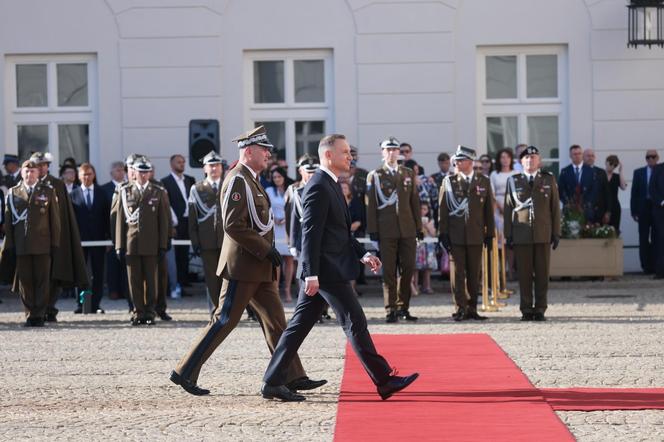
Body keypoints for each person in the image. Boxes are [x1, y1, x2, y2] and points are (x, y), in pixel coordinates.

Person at [262, 134, 419, 402]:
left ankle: (273, 381)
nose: (350, 156)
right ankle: (383, 380)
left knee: (298, 327)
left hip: (327, 269)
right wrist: (310, 273)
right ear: (328, 156)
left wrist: (363, 254)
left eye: (349, 152)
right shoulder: (318, 186)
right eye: (345, 152)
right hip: (325, 272)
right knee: (354, 321)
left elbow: (340, 233)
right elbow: (310, 233)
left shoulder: (332, 184)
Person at [170, 126, 325, 397]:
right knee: (224, 320)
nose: (268, 155)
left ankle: (292, 376)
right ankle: (185, 372)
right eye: (264, 150)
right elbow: (233, 225)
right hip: (243, 266)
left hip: (259, 268)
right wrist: (265, 249)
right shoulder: (237, 180)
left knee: (277, 324)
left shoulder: (250, 179)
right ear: (249, 151)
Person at [366, 137, 422, 323]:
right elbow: (371, 205)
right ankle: (390, 309)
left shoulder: (408, 173)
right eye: (388, 149)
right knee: (388, 272)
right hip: (386, 230)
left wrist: (419, 228)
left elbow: (415, 202)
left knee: (407, 269)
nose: (392, 153)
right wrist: (373, 230)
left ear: (399, 152)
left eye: (395, 149)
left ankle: (403, 307)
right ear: (382, 152)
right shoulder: (375, 175)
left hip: (407, 229)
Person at [0, 160, 60, 326]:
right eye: (26, 171)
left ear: (37, 174)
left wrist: (55, 243)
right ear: (22, 173)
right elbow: (8, 222)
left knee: (42, 281)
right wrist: (10, 245)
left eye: (33, 172)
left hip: (43, 243)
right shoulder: (13, 193)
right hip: (22, 244)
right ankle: (29, 314)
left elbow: (54, 221)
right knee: (25, 282)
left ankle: (39, 314)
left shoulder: (47, 191)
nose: (29, 174)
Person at [504, 146, 561, 321]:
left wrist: (556, 233)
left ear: (539, 161)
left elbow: (554, 209)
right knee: (525, 274)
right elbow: (508, 209)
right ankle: (526, 309)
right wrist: (508, 234)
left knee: (542, 274)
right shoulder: (513, 181)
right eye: (526, 158)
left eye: (533, 157)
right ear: (521, 162)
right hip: (522, 234)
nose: (530, 160)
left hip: (543, 233)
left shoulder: (548, 180)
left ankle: (540, 308)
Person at [30, 152, 88, 322]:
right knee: (37, 275)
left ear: (48, 166)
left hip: (54, 238)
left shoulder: (57, 185)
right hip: (35, 239)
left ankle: (49, 308)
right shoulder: (28, 183)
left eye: (43, 164)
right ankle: (36, 308)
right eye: (37, 165)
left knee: (55, 275)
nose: (40, 168)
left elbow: (64, 214)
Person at [438, 145, 495, 322]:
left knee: (474, 274)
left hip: (476, 234)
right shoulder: (449, 181)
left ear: (470, 162)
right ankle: (460, 307)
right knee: (458, 274)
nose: (457, 163)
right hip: (455, 235)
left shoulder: (483, 181)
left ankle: (472, 308)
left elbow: (488, 210)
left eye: (461, 160)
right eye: (457, 160)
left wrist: (489, 233)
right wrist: (444, 233)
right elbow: (443, 209)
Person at [115, 158, 170, 325]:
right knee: (134, 281)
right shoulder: (125, 191)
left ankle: (150, 312)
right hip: (131, 244)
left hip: (151, 245)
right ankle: (138, 312)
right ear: (134, 173)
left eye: (147, 172)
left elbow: (163, 221)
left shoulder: (157, 191)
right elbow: (119, 220)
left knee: (152, 282)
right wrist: (119, 245)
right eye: (141, 172)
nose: (144, 175)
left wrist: (162, 245)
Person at [70, 163, 111, 314]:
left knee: (98, 273)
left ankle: (95, 304)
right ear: (79, 177)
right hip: (80, 240)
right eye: (84, 174)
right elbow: (71, 219)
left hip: (99, 239)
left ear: (94, 175)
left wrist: (109, 238)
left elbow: (108, 217)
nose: (87, 177)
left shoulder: (102, 193)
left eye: (89, 174)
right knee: (81, 273)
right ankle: (82, 304)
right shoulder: (73, 194)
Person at [188, 151, 225, 313]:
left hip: (227, 241)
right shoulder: (197, 189)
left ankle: (227, 309)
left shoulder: (228, 185)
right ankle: (215, 309)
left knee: (228, 277)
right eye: (211, 165)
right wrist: (195, 242)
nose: (214, 168)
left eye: (217, 165)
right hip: (207, 240)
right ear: (204, 168)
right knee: (211, 278)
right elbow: (192, 219)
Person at [161, 154, 195, 293]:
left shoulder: (190, 180)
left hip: (189, 221)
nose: (182, 164)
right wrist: (171, 224)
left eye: (183, 162)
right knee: (176, 254)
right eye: (178, 162)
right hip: (176, 223)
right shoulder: (165, 182)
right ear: (171, 164)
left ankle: (184, 281)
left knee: (186, 252)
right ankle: (176, 284)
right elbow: (166, 205)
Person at [266, 167, 295, 302]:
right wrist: (274, 218)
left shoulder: (291, 189)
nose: (277, 179)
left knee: (289, 260)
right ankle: (275, 290)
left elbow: (294, 206)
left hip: (288, 227)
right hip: (275, 228)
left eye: (279, 177)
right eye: (274, 177)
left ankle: (287, 290)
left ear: (284, 177)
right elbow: (266, 208)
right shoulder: (269, 191)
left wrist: (287, 218)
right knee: (276, 260)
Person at [101, 161, 128, 301]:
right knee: (112, 265)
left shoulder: (129, 187)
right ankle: (113, 290)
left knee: (126, 264)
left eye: (122, 170)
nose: (120, 172)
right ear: (111, 173)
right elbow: (102, 214)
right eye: (117, 170)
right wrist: (106, 237)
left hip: (126, 232)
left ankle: (125, 290)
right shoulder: (104, 189)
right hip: (110, 233)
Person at [490, 148, 519, 278]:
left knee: (511, 242)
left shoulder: (516, 173)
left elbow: (520, 192)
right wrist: (499, 207)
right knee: (500, 241)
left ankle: (511, 270)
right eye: (502, 157)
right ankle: (500, 270)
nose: (505, 159)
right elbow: (492, 193)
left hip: (513, 207)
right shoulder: (494, 174)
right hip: (498, 208)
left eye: (507, 157)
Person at [631, 150, 659, 274]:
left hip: (657, 206)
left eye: (653, 157)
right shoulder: (638, 172)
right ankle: (646, 266)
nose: (651, 159)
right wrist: (633, 211)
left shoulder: (661, 171)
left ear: (657, 158)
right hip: (643, 207)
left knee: (657, 237)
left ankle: (656, 265)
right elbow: (634, 193)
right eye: (648, 157)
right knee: (643, 237)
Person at [558, 145, 602, 224]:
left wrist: (587, 204)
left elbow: (595, 190)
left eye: (579, 153)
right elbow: (561, 190)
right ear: (570, 156)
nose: (577, 156)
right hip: (570, 210)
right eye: (575, 154)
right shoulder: (565, 171)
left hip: (587, 211)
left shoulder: (591, 171)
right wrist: (567, 203)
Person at [340, 179, 364, 298]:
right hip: (339, 238)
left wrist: (345, 229)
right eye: (341, 188)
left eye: (345, 188)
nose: (343, 190)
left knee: (352, 263)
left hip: (352, 235)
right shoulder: (337, 201)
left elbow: (358, 221)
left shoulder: (355, 202)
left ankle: (352, 289)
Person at [583, 148, 611, 225]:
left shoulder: (601, 172)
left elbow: (607, 193)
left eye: (592, 156)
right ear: (583, 157)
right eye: (588, 156)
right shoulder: (579, 172)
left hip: (599, 213)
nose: (590, 158)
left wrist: (608, 212)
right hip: (582, 212)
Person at [414, 201, 437, 294]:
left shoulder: (431, 220)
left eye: (425, 209)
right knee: (416, 267)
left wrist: (427, 225)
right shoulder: (415, 219)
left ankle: (427, 286)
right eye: (421, 209)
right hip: (418, 245)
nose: (423, 211)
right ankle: (415, 286)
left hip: (428, 245)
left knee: (428, 267)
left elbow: (434, 233)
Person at [605, 155, 627, 234]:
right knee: (602, 229)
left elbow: (623, 187)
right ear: (606, 162)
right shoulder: (600, 174)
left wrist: (620, 171)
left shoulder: (616, 176)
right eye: (610, 163)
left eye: (615, 165)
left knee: (614, 229)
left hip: (614, 206)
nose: (612, 166)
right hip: (603, 205)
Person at [649, 160, 664, 279]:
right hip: (661, 210)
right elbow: (652, 189)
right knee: (661, 240)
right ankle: (660, 270)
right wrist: (662, 202)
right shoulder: (658, 169)